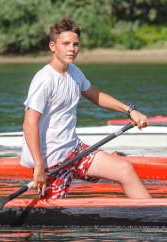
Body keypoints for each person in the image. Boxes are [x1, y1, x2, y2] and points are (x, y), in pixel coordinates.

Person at [21, 17, 152, 200]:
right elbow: (29, 124)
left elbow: (96, 96)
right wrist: (39, 166)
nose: (71, 49)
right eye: (65, 44)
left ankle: (153, 212)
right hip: (52, 162)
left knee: (125, 169)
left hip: (75, 152)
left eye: (75, 44)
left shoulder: (74, 72)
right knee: (52, 214)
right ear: (52, 46)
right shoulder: (44, 79)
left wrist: (130, 111)